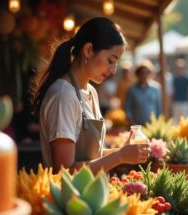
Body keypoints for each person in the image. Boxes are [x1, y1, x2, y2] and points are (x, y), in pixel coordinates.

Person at [30, 17, 150, 173]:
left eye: (116, 63)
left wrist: (124, 152)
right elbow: (65, 170)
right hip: (70, 197)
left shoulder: (91, 92)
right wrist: (119, 156)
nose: (113, 70)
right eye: (110, 60)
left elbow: (92, 156)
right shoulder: (63, 95)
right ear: (88, 50)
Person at [125, 60, 161, 125]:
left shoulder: (156, 88)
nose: (144, 75)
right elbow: (128, 106)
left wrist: (158, 121)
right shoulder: (132, 89)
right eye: (142, 72)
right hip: (136, 124)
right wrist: (130, 119)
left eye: (146, 72)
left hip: (152, 124)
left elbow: (158, 107)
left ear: (150, 73)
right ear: (138, 74)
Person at [172, 58, 188, 123]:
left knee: (185, 119)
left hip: (185, 101)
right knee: (176, 119)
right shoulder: (174, 78)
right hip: (176, 101)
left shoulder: (187, 78)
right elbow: (173, 91)